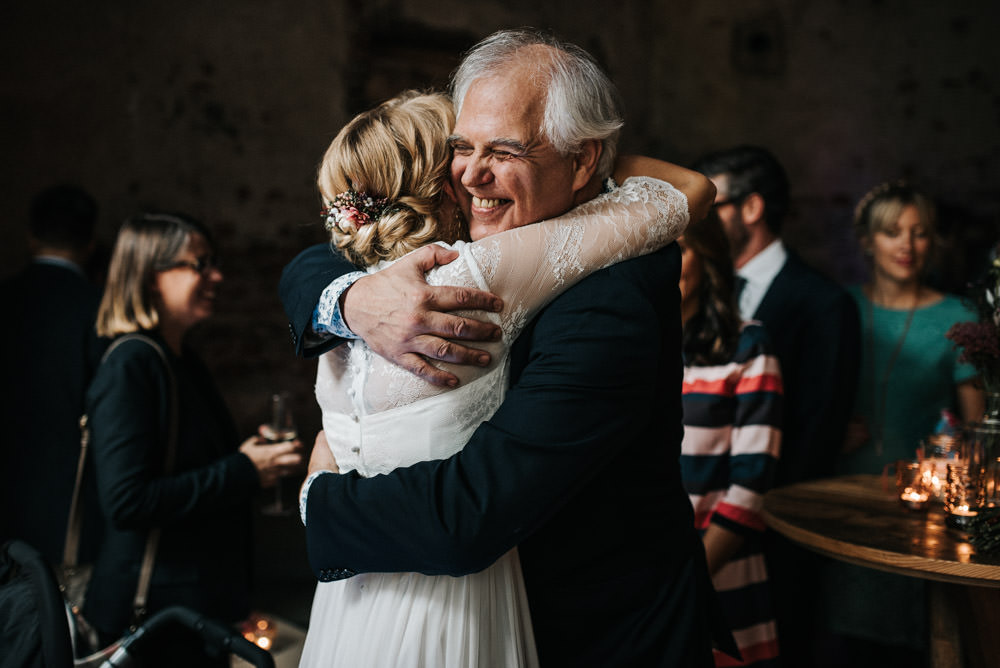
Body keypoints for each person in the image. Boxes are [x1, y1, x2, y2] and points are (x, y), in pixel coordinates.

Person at [283, 29, 735, 666]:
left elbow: (471, 513)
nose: (471, 175)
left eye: (505, 150)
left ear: (583, 164)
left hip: (595, 636)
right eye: (461, 148)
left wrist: (318, 500)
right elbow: (314, 259)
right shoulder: (467, 247)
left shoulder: (612, 302)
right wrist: (351, 302)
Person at [83, 212, 303, 667]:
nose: (216, 276)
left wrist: (243, 457)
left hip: (191, 612)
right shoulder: (131, 365)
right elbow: (127, 500)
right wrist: (243, 470)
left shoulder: (178, 358)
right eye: (198, 264)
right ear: (148, 277)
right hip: (152, 620)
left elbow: (185, 463)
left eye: (213, 262)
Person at [692, 145, 861, 665]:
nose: (698, 219)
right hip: (692, 523)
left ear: (751, 208)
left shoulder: (823, 303)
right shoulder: (691, 294)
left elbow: (818, 433)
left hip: (773, 538)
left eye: (711, 204)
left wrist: (747, 519)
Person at [816, 182, 982, 666]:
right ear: (867, 241)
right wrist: (829, 428)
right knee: (839, 644)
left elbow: (980, 432)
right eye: (893, 233)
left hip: (920, 514)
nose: (908, 246)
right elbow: (800, 406)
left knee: (915, 644)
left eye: (920, 233)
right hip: (838, 499)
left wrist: (953, 454)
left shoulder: (959, 317)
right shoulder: (835, 308)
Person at [677, 211, 783, 668]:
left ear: (708, 258)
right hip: (638, 570)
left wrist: (684, 580)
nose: (661, 263)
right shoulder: (626, 344)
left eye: (677, 249)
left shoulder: (747, 346)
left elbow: (750, 490)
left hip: (719, 568)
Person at [0, 185, 105, 564]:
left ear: (31, 237)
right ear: (90, 244)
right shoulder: (100, 311)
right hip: (72, 509)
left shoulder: (5, 300)